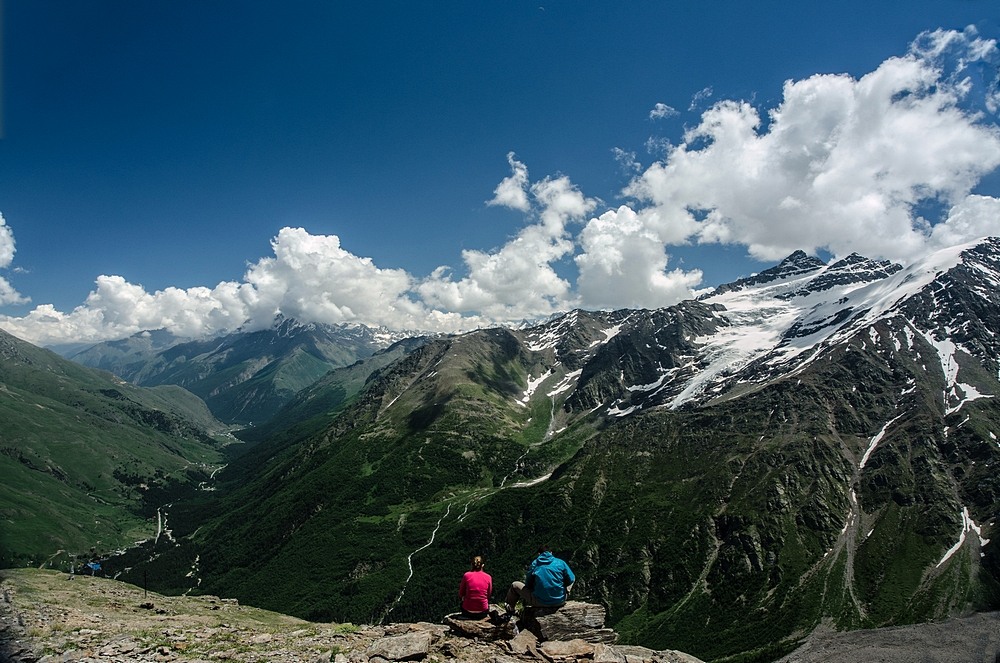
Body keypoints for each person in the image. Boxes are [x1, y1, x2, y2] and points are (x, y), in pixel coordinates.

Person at [505, 545, 575, 615]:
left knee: (515, 585)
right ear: (551, 553)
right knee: (573, 577)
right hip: (560, 601)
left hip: (540, 602)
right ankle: (564, 593)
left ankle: (511, 609)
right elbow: (571, 579)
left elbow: (528, 584)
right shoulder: (560, 562)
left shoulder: (535, 564)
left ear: (539, 554)